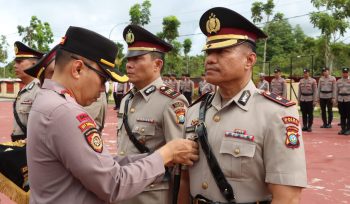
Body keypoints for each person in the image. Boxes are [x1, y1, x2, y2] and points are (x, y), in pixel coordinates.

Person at [26, 26, 199, 204]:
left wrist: (157, 157)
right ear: (77, 69)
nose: (103, 90)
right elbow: (113, 183)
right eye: (103, 79)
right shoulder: (65, 112)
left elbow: (103, 163)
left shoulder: (47, 100)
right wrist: (165, 154)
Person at [182, 7, 307, 204]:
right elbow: (184, 180)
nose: (210, 59)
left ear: (249, 60)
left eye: (221, 51)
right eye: (208, 52)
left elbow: (288, 197)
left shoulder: (275, 113)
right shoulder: (194, 110)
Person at [116, 24, 189, 204]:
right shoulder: (127, 99)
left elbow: (180, 161)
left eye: (137, 59)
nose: (129, 65)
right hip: (123, 192)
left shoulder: (171, 102)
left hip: (151, 196)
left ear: (157, 64)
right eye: (128, 60)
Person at [24, 45, 108, 131]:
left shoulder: (86, 96)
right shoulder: (56, 103)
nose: (56, 79)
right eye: (53, 74)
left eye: (57, 72)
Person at [11, 41, 44, 142]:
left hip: (30, 146)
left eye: (19, 62)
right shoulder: (26, 88)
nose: (15, 66)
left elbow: (43, 128)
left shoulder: (40, 89)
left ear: (34, 64)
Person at [335, 67, 350, 135]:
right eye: (344, 72)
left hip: (348, 99)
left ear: (348, 73)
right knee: (342, 115)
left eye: (346, 72)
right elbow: (336, 91)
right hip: (341, 99)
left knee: (349, 115)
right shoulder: (338, 81)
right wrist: (336, 100)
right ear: (342, 73)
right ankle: (343, 129)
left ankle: (348, 129)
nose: (345, 74)